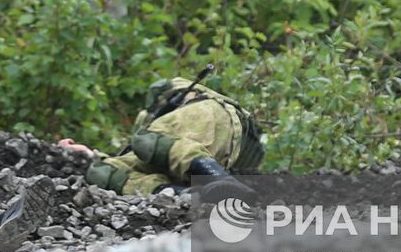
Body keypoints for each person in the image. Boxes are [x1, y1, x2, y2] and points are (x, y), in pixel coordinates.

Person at [59, 78, 264, 202]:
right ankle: (193, 196)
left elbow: (147, 141)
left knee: (146, 140)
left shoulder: (188, 104)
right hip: (227, 153)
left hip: (214, 114)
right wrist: (89, 156)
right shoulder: (173, 139)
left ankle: (220, 180)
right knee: (103, 172)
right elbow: (129, 162)